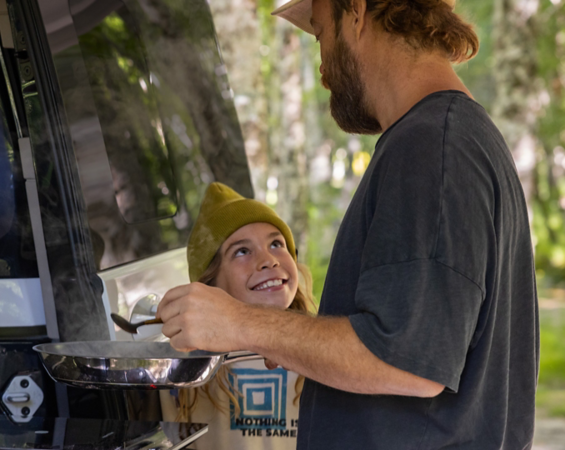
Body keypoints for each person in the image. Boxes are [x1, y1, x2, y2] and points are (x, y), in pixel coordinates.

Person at [157, 0, 539, 448]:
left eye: (320, 35)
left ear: (355, 12)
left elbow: (406, 360)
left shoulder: (431, 146)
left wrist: (242, 324)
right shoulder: (451, 136)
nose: (321, 70)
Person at [159, 181, 315, 449]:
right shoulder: (184, 369)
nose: (269, 260)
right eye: (242, 251)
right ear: (209, 288)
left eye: (277, 244)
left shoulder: (323, 349)